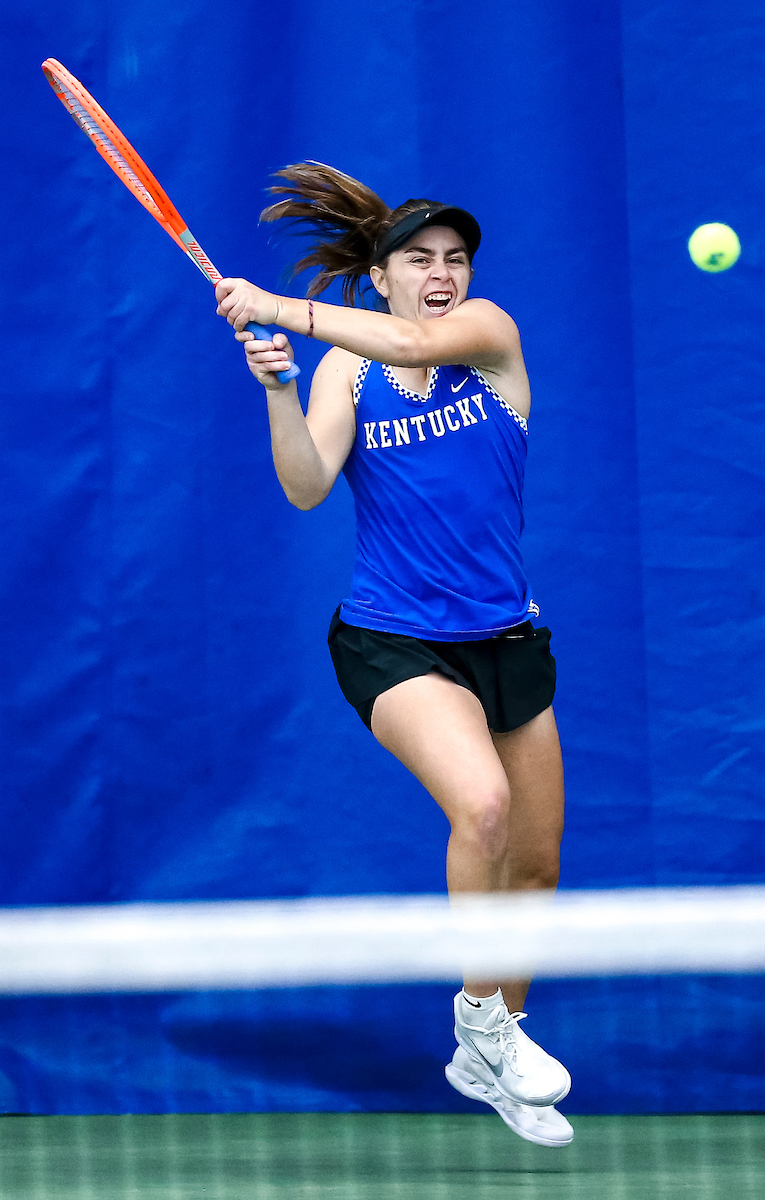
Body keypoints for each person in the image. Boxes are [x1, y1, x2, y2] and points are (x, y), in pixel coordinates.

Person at [216, 163, 573, 1148]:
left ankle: (493, 1051)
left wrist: (281, 307)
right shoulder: (349, 370)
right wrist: (282, 394)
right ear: (379, 275)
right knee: (483, 807)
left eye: (453, 257)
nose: (441, 272)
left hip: (504, 634)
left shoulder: (486, 340)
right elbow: (303, 486)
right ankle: (479, 1021)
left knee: (535, 868)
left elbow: (416, 342)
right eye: (417, 258)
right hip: (391, 636)